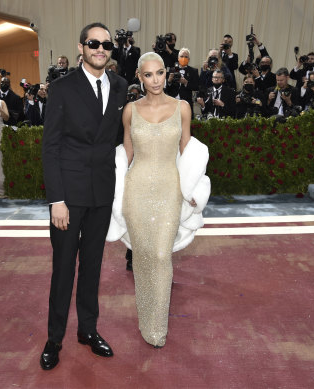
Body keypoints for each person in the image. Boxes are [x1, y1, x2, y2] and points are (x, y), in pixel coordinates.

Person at [40, 22, 128, 370]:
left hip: (101, 193)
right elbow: (51, 148)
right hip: (69, 196)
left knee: (92, 267)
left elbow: (119, 138)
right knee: (63, 268)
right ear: (81, 48)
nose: (101, 48)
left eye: (107, 44)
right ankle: (54, 337)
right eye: (94, 43)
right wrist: (56, 199)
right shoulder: (61, 89)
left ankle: (88, 331)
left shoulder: (121, 87)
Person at [107, 51, 209, 348]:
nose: (155, 80)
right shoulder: (129, 110)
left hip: (169, 189)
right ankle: (146, 320)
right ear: (139, 77)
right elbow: (125, 153)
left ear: (167, 73)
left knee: (162, 256)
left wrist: (193, 190)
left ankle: (158, 327)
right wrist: (110, 188)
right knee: (142, 258)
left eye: (160, 73)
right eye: (148, 74)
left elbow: (189, 151)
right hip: (136, 189)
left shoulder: (183, 107)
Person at [165, 47, 199, 115]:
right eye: (182, 56)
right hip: (172, 102)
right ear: (178, 58)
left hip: (186, 103)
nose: (183, 58)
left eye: (186, 57)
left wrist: (186, 83)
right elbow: (166, 89)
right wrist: (169, 81)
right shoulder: (172, 70)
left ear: (189, 59)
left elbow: (197, 87)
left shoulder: (193, 71)